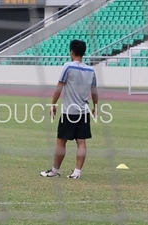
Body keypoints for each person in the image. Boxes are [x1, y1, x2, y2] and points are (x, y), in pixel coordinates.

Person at [40, 39, 98, 180]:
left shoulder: (68, 66)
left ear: (71, 52)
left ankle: (55, 171)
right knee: (81, 142)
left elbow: (59, 87)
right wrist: (95, 106)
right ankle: (77, 172)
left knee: (61, 141)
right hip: (83, 112)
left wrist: (53, 104)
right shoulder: (91, 70)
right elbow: (94, 91)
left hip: (69, 111)